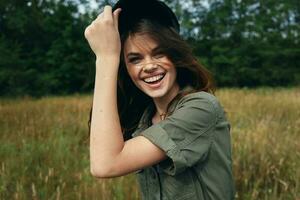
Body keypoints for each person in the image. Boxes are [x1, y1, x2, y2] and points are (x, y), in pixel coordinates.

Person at [84, 0, 235, 199]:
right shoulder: (144, 120)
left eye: (159, 53)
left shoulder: (201, 108)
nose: (148, 66)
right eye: (135, 59)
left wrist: (105, 58)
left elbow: (105, 165)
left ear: (176, 55)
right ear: (126, 69)